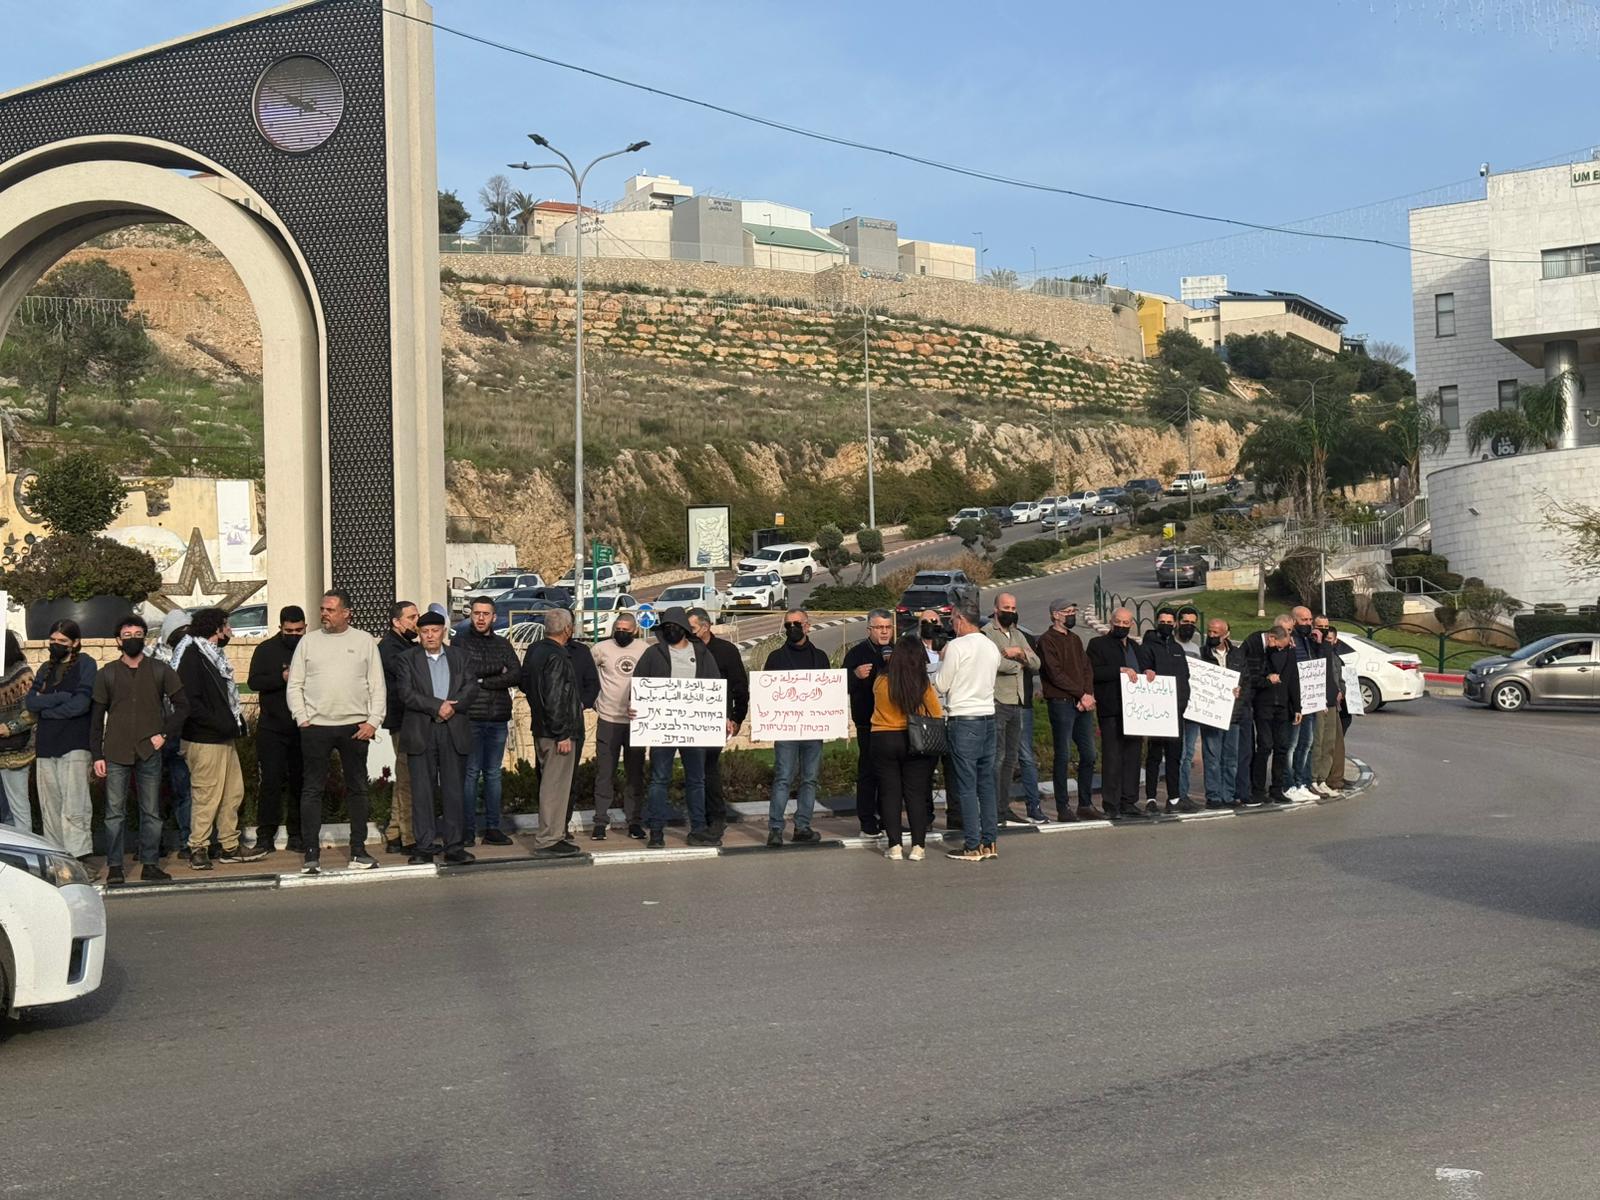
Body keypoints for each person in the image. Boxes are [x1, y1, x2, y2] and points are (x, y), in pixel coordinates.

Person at [288, 588, 387, 874]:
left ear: (346, 613)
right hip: (316, 727)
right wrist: (302, 718)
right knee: (312, 791)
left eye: (330, 610)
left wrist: (372, 721)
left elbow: (377, 685)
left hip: (355, 727)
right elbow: (295, 684)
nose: (324, 615)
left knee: (357, 789)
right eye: (322, 609)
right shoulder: (308, 642)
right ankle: (311, 855)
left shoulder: (364, 641)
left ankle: (358, 851)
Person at [92, 615, 187, 885]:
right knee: (114, 813)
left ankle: (150, 864)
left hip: (149, 749)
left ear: (144, 638)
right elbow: (97, 718)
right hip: (115, 751)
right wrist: (97, 755)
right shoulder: (107, 673)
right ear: (118, 640)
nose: (132, 638)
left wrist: (164, 735)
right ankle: (115, 866)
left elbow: (183, 706)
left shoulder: (160, 670)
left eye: (137, 633)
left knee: (151, 811)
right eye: (127, 634)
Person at [175, 607, 267, 870]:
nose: (231, 631)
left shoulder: (213, 656)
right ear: (216, 628)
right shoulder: (193, 656)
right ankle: (198, 848)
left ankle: (229, 844)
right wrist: (219, 723)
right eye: (227, 626)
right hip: (204, 738)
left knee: (232, 793)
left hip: (223, 736)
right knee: (207, 796)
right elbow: (190, 701)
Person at [631, 606, 720, 849]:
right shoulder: (653, 654)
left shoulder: (701, 653)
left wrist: (719, 715)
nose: (670, 631)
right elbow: (638, 685)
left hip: (693, 727)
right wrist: (635, 706)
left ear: (683, 629)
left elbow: (714, 684)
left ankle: (698, 829)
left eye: (674, 627)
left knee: (696, 780)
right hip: (662, 728)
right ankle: (657, 832)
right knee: (659, 779)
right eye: (666, 627)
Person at [396, 610, 479, 863]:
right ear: (419, 634)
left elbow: (471, 686)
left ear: (443, 631)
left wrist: (452, 706)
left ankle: (454, 846)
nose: (430, 635)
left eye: (434, 630)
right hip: (423, 730)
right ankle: (424, 845)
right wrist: (436, 706)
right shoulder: (407, 659)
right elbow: (405, 692)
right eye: (424, 631)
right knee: (422, 791)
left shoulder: (460, 656)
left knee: (454, 790)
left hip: (453, 728)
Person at [937, 605, 1002, 861]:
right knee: (986, 784)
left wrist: (943, 660)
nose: (952, 625)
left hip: (964, 718)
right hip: (988, 716)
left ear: (962, 620)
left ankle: (972, 845)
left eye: (953, 620)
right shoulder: (990, 646)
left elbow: (942, 684)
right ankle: (990, 842)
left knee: (966, 785)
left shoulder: (956, 646)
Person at [26, 620, 96, 860]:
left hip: (74, 744)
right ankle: (56, 858)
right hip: (46, 745)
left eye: (62, 642)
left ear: (74, 643)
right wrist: (61, 697)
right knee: (50, 807)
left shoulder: (85, 664)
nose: (56, 645)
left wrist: (48, 708)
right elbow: (31, 703)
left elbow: (81, 705)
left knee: (75, 806)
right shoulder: (45, 669)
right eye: (53, 641)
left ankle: (80, 857)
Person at [871, 633, 943, 861]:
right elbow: (936, 711)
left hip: (883, 737)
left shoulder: (881, 680)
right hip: (915, 739)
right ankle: (918, 847)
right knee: (916, 794)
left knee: (890, 793)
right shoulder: (921, 682)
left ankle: (894, 846)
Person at [519, 607, 584, 858]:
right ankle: (549, 838)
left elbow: (527, 685)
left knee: (550, 783)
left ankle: (552, 835)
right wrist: (562, 733)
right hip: (557, 732)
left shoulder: (536, 650)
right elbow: (556, 697)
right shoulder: (557, 656)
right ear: (567, 629)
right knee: (555, 787)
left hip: (541, 727)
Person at [456, 596, 520, 847]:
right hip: (471, 717)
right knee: (470, 774)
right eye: (476, 613)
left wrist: (485, 681)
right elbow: (465, 673)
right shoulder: (460, 642)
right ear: (471, 615)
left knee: (493, 774)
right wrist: (496, 672)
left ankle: (493, 828)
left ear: (494, 617)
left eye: (486, 614)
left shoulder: (503, 644)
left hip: (498, 718)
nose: (481, 618)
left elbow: (516, 673)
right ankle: (468, 830)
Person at [764, 609, 829, 848]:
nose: (792, 628)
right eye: (788, 624)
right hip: (786, 729)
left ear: (807, 626)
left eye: (797, 624)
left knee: (809, 779)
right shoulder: (775, 658)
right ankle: (775, 829)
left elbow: (827, 693)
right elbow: (767, 695)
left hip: (813, 728)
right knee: (783, 778)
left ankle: (803, 826)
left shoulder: (820, 657)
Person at [1087, 608, 1157, 820]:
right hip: (1112, 709)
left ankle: (1129, 801)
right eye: (1119, 622)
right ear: (1111, 621)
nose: (1122, 626)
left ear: (1132, 624)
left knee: (1133, 756)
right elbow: (1093, 672)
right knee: (1113, 757)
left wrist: (1149, 672)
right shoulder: (1097, 645)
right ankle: (1112, 803)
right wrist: (1119, 670)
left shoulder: (1136, 646)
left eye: (1127, 623)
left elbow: (1145, 669)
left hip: (1135, 711)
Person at [248, 606, 307, 853]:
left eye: (298, 630)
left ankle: (297, 834)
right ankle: (266, 835)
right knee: (270, 783)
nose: (294, 634)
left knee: (300, 782)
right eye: (289, 630)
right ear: (280, 628)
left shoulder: (310, 647)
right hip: (273, 727)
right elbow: (253, 682)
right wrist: (280, 677)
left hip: (303, 727)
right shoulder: (266, 650)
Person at [1037, 598, 1100, 821]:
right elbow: (1055, 674)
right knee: (1063, 755)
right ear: (1055, 615)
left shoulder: (1075, 639)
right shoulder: (1047, 641)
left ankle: (1085, 803)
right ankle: (1063, 807)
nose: (1071, 614)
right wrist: (1079, 694)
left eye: (1074, 610)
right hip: (1062, 703)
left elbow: (1086, 668)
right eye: (1067, 611)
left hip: (1082, 704)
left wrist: (1088, 694)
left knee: (1089, 754)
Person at [689, 606, 748, 838]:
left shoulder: (726, 651)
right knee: (695, 770)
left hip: (716, 721)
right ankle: (700, 816)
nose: (689, 632)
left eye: (692, 628)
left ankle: (715, 816)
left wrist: (737, 718)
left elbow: (740, 687)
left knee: (708, 768)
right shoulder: (684, 650)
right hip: (689, 721)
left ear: (705, 627)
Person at [984, 593, 1041, 827]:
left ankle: (1003, 807)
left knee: (1010, 759)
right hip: (998, 701)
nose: (1010, 610)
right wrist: (1020, 663)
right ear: (996, 609)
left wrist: (1018, 653)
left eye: (1014, 607)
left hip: (1017, 702)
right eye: (1006, 607)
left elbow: (1037, 664)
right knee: (996, 758)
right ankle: (992, 810)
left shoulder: (1018, 635)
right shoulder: (987, 633)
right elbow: (996, 663)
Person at [591, 611, 649, 839]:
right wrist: (595, 701)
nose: (622, 633)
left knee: (635, 774)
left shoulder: (644, 649)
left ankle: (634, 820)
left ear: (635, 630)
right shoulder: (600, 649)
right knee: (604, 772)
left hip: (636, 723)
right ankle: (600, 821)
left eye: (626, 629)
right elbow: (589, 674)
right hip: (608, 719)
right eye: (618, 629)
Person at [843, 609, 896, 837]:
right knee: (868, 773)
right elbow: (840, 685)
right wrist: (855, 675)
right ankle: (867, 821)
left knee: (892, 775)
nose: (884, 632)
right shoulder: (857, 653)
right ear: (869, 630)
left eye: (888, 627)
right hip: (868, 723)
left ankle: (889, 819)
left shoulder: (898, 651)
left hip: (894, 724)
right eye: (879, 627)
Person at [1142, 610, 1197, 813]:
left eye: (1169, 621)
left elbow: (1185, 677)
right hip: (1156, 712)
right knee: (1154, 756)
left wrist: (1183, 703)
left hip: (1176, 711)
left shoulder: (1176, 649)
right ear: (1157, 622)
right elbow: (1142, 673)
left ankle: (1173, 799)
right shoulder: (1147, 647)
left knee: (1175, 756)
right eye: (1162, 621)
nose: (1166, 624)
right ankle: (1150, 799)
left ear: (1174, 624)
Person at [377, 601, 420, 855]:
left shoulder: (404, 645)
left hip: (409, 719)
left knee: (405, 776)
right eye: (411, 617)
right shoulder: (390, 648)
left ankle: (393, 832)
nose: (416, 622)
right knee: (407, 778)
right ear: (396, 621)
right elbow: (408, 672)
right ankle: (408, 836)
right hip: (402, 719)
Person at [152, 610, 195, 857]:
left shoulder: (193, 653)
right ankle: (153, 843)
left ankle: (187, 840)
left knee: (183, 790)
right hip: (156, 732)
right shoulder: (151, 655)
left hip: (180, 731)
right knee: (153, 792)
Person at [1248, 625, 1302, 806]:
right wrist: (1266, 680)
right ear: (1272, 639)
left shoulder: (1289, 651)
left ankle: (1277, 788)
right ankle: (1257, 789)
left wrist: (1297, 707)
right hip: (1264, 704)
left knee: (1282, 746)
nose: (1280, 649)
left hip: (1283, 706)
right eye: (1279, 645)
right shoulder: (1259, 648)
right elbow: (1251, 675)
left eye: (1283, 646)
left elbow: (1294, 679)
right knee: (1264, 745)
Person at [1198, 618, 1249, 810]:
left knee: (1230, 758)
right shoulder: (1202, 654)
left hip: (1233, 715)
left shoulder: (1237, 655)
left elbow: (1246, 680)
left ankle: (1228, 794)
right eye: (1209, 632)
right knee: (1212, 757)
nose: (1211, 636)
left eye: (1215, 633)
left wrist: (1240, 693)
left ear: (1226, 634)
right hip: (1210, 713)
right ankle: (1213, 796)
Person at [1310, 622, 1354, 797]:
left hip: (1334, 703)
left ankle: (1332, 779)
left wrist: (1341, 691)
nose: (1326, 640)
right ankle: (1322, 779)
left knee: (1332, 742)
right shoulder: (1316, 651)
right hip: (1322, 703)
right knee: (1319, 742)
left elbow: (1339, 678)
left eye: (1330, 638)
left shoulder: (1335, 656)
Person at [563, 631, 600, 830]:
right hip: (546, 724)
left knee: (570, 776)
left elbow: (593, 684)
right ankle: (549, 825)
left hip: (574, 723)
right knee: (546, 778)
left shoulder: (581, 652)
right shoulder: (540, 650)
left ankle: (563, 824)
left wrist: (582, 703)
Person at [0, 631, 37, 833]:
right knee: (3, 813)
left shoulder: (22, 673)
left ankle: (27, 859)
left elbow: (32, 712)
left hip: (17, 751)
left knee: (18, 809)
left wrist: (9, 728)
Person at [1285, 605, 1318, 796]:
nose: (1308, 623)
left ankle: (1302, 781)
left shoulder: (1308, 641)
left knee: (1307, 743)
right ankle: (1290, 784)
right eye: (1304, 620)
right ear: (1294, 620)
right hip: (1295, 702)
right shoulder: (1292, 641)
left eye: (1310, 620)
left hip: (1311, 700)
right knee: (1292, 744)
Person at [1174, 605, 1205, 803]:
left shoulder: (1195, 649)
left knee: (1189, 754)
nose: (1189, 626)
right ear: (1177, 623)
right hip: (1175, 706)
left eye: (1193, 623)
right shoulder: (1170, 646)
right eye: (1185, 622)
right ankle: (1176, 794)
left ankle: (1184, 794)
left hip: (1193, 707)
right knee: (1180, 752)